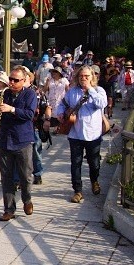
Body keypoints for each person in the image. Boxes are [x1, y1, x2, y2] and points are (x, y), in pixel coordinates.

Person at [55, 65, 107, 203]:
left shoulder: (98, 90)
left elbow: (102, 104)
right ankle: (77, 191)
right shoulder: (72, 92)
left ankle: (94, 181)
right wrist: (60, 113)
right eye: (81, 76)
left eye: (86, 76)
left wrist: (90, 90)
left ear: (92, 77)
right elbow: (62, 104)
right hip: (75, 134)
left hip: (93, 134)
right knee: (75, 163)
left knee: (94, 162)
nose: (83, 78)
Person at [0, 67, 37, 221]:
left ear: (24, 80)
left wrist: (12, 109)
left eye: (16, 80)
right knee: (6, 177)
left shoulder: (30, 94)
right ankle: (9, 209)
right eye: (10, 79)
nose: (11, 83)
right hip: (5, 139)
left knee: (25, 175)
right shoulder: (4, 93)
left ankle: (27, 200)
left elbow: (29, 114)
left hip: (22, 140)